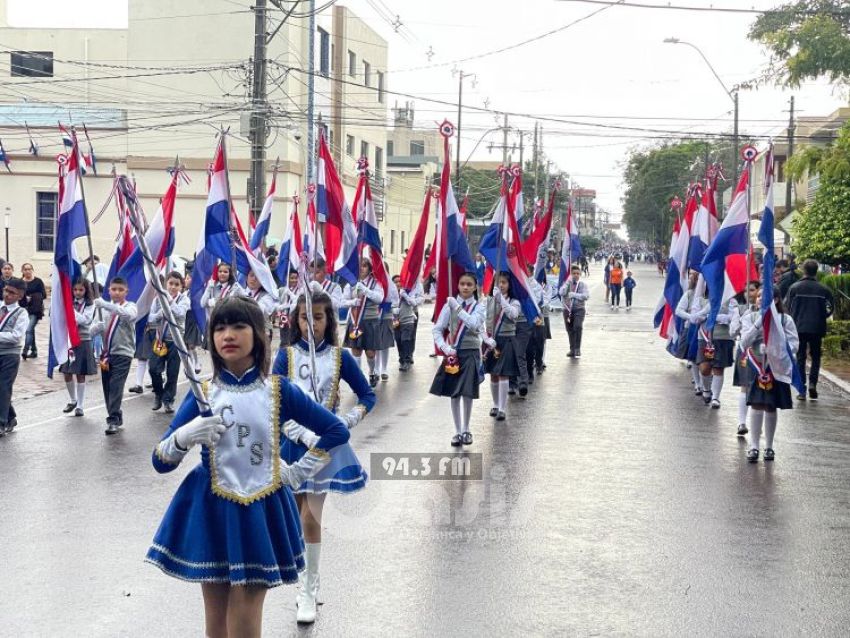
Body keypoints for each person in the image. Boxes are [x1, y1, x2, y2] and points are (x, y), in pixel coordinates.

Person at [145, 296, 350, 637]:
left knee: (244, 619)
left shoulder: (279, 390)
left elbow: (336, 431)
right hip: (212, 508)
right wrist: (183, 437)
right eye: (220, 328)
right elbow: (160, 461)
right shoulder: (203, 393)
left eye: (239, 326)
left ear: (259, 334)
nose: (228, 335)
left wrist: (298, 470)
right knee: (216, 623)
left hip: (260, 508)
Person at [272, 290, 375, 624]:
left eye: (318, 317)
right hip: (292, 442)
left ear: (329, 320)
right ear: (296, 320)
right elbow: (272, 400)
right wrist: (299, 432)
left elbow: (367, 396)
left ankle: (308, 590)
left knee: (310, 516)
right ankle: (304, 577)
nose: (312, 324)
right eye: (306, 317)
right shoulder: (285, 356)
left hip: (325, 445)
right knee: (294, 514)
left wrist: (344, 422)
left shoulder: (340, 357)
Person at [740, 291, 799, 462]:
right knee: (757, 404)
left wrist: (776, 349)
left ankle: (769, 446)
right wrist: (760, 322)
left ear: (776, 300)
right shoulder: (750, 318)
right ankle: (754, 446)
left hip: (776, 366)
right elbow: (744, 342)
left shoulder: (785, 320)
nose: (760, 299)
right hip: (756, 365)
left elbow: (794, 344)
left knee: (770, 405)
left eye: (764, 296)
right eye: (759, 296)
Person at [431, 272, 486, 445]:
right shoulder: (449, 305)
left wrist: (458, 308)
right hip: (453, 355)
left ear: (475, 287)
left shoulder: (478, 306)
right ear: (458, 285)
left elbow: (474, 324)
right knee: (454, 393)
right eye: (462, 284)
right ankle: (457, 431)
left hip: (471, 353)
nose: (465, 287)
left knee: (467, 392)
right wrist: (445, 348)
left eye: (469, 284)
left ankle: (466, 429)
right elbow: (437, 329)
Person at [92, 277, 139, 435]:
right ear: (109, 290)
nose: (117, 292)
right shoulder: (103, 310)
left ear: (126, 291)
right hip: (106, 355)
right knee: (107, 387)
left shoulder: (130, 306)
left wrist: (106, 304)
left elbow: (128, 315)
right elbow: (93, 330)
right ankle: (116, 414)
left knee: (116, 386)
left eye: (120, 290)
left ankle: (112, 420)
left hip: (123, 353)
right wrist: (96, 328)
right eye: (114, 289)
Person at [787, 259, 834, 400]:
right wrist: (821, 316)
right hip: (817, 328)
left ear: (803, 270)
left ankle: (801, 389)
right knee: (816, 357)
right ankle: (813, 383)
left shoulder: (794, 288)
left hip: (799, 327)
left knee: (800, 357)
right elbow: (830, 308)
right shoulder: (824, 290)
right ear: (816, 271)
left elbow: (788, 307)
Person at [148, 271, 191, 414]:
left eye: (176, 284)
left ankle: (168, 399)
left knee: (172, 372)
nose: (173, 287)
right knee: (153, 369)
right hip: (160, 339)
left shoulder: (184, 299)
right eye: (170, 283)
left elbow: (180, 313)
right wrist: (159, 314)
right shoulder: (157, 299)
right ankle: (158, 393)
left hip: (176, 341)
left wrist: (170, 302)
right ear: (166, 284)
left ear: (181, 286)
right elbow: (150, 319)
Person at [341, 258, 385, 387]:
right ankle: (358, 378)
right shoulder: (351, 284)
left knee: (370, 352)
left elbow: (379, 299)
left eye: (364, 266)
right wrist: (352, 302)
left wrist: (365, 290)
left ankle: (372, 372)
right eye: (359, 266)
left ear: (370, 269)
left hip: (370, 321)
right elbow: (342, 302)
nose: (361, 268)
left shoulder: (375, 283)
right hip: (355, 321)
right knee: (356, 351)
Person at [483, 272, 520, 421]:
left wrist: (501, 300)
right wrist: (486, 338)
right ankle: (495, 404)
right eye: (498, 282)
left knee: (503, 373)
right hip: (492, 339)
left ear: (509, 285)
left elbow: (513, 315)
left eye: (504, 282)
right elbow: (482, 319)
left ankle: (503, 409)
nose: (501, 285)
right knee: (493, 374)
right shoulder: (489, 300)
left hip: (507, 339)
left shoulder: (514, 301)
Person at [59, 278, 98, 417]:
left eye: (81, 290)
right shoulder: (68, 302)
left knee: (80, 373)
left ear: (86, 290)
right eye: (75, 289)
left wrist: (70, 310)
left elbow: (85, 320)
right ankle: (73, 400)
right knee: (67, 372)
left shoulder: (90, 305)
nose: (77, 292)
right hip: (68, 340)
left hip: (83, 339)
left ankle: (80, 406)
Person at [695, 292, 738, 409]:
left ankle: (716, 397)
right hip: (704, 337)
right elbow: (696, 316)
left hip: (723, 337)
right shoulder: (700, 300)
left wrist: (714, 317)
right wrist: (704, 316)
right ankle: (706, 389)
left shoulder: (731, 300)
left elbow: (732, 317)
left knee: (718, 368)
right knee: (704, 368)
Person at [0, 278, 29, 436]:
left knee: (4, 386)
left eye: (12, 293)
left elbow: (16, 336)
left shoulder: (21, 313)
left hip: (10, 354)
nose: (7, 295)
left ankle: (1, 422)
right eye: (6, 290)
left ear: (20, 295)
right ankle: (10, 417)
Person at [732, 282, 760, 437]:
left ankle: (758, 423)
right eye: (745, 291)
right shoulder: (740, 309)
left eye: (752, 290)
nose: (748, 293)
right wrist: (741, 317)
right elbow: (733, 331)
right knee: (745, 386)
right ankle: (741, 422)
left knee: (762, 387)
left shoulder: (769, 311)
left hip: (762, 353)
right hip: (745, 351)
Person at [393, 275, 422, 371]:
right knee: (398, 339)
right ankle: (402, 358)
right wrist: (393, 310)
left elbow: (414, 301)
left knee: (407, 338)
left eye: (399, 281)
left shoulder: (408, 291)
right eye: (395, 282)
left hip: (409, 319)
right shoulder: (392, 294)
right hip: (396, 321)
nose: (398, 283)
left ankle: (408, 358)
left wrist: (405, 295)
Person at [559, 265, 590, 358]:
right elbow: (561, 293)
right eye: (574, 273)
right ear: (571, 274)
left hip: (579, 309)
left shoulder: (582, 284)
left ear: (580, 274)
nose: (576, 275)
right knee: (570, 330)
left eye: (577, 273)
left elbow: (586, 296)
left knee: (578, 326)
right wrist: (567, 284)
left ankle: (577, 348)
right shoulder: (566, 283)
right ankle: (572, 349)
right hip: (567, 310)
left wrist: (574, 295)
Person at [19, 263, 46, 360]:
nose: (28, 271)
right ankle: (34, 351)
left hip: (35, 309)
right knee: (31, 330)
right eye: (25, 269)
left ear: (32, 270)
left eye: (29, 269)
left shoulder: (38, 281)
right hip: (24, 310)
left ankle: (25, 350)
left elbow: (44, 295)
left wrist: (33, 297)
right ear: (22, 271)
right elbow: (17, 295)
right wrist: (24, 298)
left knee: (28, 329)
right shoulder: (20, 282)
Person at [182, 272, 203, 373]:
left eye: (188, 278)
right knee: (186, 345)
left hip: (193, 319)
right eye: (185, 278)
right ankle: (190, 364)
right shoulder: (184, 293)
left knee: (191, 344)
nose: (186, 280)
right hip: (186, 320)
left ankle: (196, 362)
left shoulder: (197, 292)